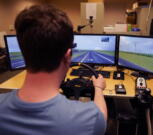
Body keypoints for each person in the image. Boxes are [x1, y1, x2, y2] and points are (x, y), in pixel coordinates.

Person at [0, 4, 107, 135]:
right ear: (67, 56)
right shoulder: (89, 118)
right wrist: (98, 89)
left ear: (23, 52)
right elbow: (102, 118)